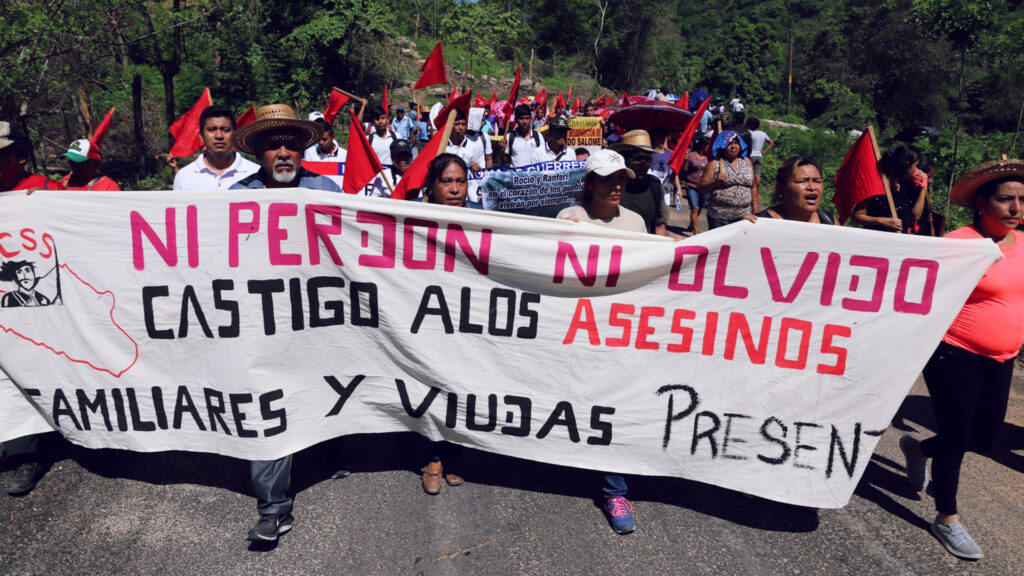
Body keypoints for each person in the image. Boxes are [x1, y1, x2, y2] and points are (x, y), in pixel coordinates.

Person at [899, 159, 1024, 560]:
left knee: (983, 439)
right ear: (982, 202)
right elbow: (919, 287)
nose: (1016, 208)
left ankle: (918, 451)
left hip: (1003, 357)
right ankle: (946, 518)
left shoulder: (1023, 242)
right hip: (954, 353)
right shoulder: (961, 241)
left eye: (1022, 200)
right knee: (956, 434)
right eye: (1006, 200)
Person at [228, 104, 341, 542]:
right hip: (264, 325)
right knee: (268, 406)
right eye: (273, 145)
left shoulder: (325, 190)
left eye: (291, 144)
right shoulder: (237, 199)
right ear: (259, 153)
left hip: (319, 322)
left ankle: (332, 444)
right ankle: (273, 509)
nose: (283, 152)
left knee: (323, 393)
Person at [556, 149, 643, 534]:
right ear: (590, 183)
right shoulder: (568, 219)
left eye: (621, 178)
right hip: (576, 331)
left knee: (615, 408)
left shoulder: (636, 223)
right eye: (609, 179)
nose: (617, 185)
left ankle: (614, 490)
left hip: (621, 334)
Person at [0, 118, 62, 496]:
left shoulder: (43, 189)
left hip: (43, 307)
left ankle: (37, 447)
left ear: (19, 158)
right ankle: (22, 448)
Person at [418, 154, 471, 495]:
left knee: (462, 389)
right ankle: (433, 457)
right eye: (447, 181)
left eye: (461, 181)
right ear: (432, 185)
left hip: (467, 319)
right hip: (425, 318)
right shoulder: (414, 217)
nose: (455, 189)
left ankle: (458, 453)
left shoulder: (481, 217)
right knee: (430, 388)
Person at [173, 105, 259, 190]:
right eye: (212, 129)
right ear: (201, 136)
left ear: (234, 134)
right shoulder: (184, 177)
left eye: (225, 129)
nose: (219, 136)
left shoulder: (255, 172)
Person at [850, 144, 926, 233]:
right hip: (875, 239)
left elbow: (916, 216)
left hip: (898, 241)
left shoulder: (909, 185)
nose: (918, 170)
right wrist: (882, 221)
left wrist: (923, 187)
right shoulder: (878, 184)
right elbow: (856, 217)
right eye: (915, 166)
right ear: (906, 165)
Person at [742, 157, 838, 225]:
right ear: (781, 188)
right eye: (802, 181)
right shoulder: (759, 223)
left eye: (817, 181)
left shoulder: (830, 222)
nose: (812, 187)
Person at [610, 130, 670, 236]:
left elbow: (659, 225)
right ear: (624, 159)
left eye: (647, 159)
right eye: (638, 158)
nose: (644, 164)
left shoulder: (654, 185)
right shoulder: (611, 185)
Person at [698, 131, 756, 229]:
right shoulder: (714, 164)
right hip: (720, 218)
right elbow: (701, 188)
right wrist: (715, 182)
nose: (733, 146)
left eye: (736, 143)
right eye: (729, 143)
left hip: (744, 216)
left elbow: (753, 187)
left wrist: (755, 210)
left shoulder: (747, 162)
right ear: (722, 146)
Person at [674, 134, 710, 233]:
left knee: (699, 209)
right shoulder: (690, 156)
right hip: (691, 186)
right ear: (703, 145)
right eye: (707, 145)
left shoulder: (708, 158)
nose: (708, 148)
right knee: (694, 208)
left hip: (704, 187)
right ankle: (695, 231)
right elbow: (684, 170)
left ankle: (692, 224)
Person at [303, 117, 347, 190]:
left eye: (324, 139)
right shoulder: (308, 153)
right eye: (319, 139)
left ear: (333, 137)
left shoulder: (345, 155)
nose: (321, 142)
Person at [745, 117, 774, 193]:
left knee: (749, 174)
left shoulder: (749, 133)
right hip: (759, 156)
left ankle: (749, 191)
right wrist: (764, 151)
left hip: (751, 156)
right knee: (757, 175)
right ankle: (756, 191)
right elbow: (771, 143)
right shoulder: (763, 133)